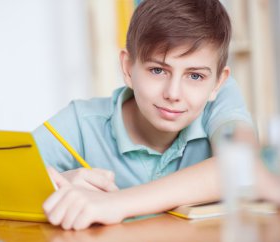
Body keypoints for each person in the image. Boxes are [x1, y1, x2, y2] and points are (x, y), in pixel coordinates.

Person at [33, 0, 280, 230]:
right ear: (128, 68)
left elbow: (241, 164)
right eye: (158, 70)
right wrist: (55, 184)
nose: (173, 93)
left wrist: (116, 203)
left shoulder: (219, 101)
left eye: (195, 76)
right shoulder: (81, 122)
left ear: (218, 82)